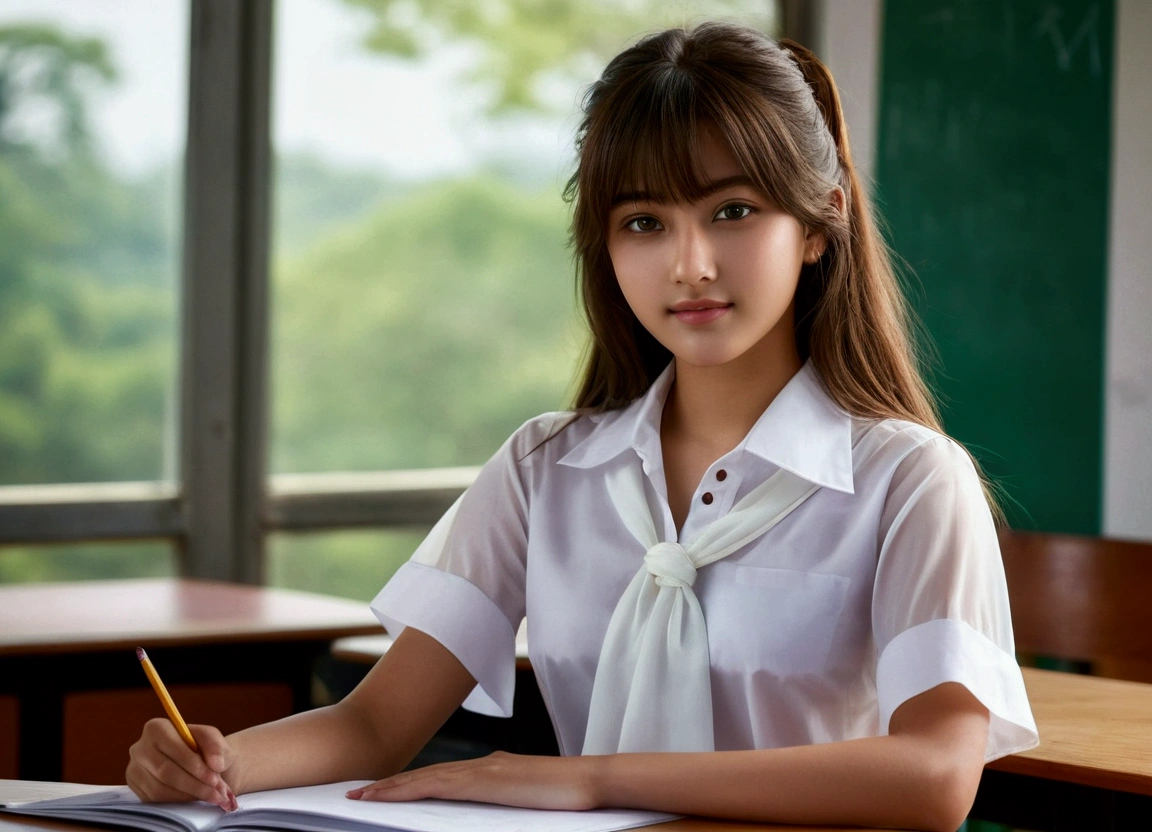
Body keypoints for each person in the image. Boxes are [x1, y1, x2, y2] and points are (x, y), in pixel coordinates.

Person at [127, 22, 1038, 832]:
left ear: (819, 221)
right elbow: (374, 725)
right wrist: (219, 764)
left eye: (733, 211)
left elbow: (935, 776)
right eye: (644, 221)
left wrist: (590, 780)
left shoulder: (910, 479)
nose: (690, 264)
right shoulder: (546, 467)